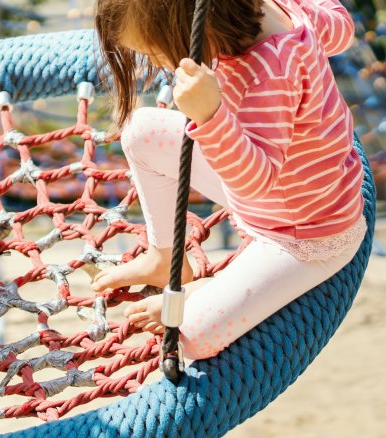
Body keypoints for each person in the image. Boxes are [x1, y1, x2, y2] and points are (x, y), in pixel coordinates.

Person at [90, 0, 367, 359]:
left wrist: (211, 116)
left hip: (303, 231)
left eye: (157, 52)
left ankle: (206, 290)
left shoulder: (269, 73)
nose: (158, 65)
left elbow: (256, 182)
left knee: (193, 338)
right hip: (279, 193)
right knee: (141, 132)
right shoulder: (272, 8)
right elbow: (341, 29)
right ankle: (165, 258)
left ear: (197, 22)